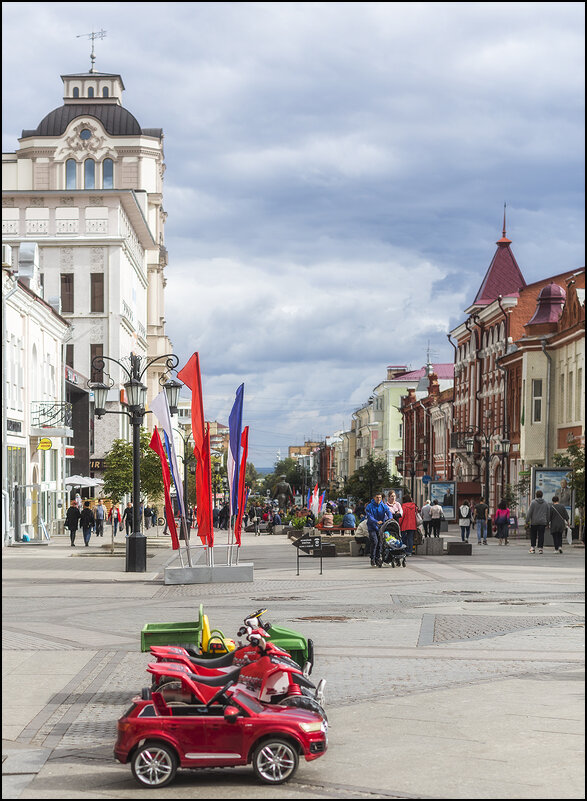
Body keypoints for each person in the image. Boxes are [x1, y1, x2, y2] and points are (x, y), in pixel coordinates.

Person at [365, 492, 391, 567]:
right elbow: (369, 517)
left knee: (380, 543)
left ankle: (377, 558)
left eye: (380, 497)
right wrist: (376, 521)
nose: (378, 499)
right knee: (375, 542)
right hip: (372, 527)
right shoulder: (369, 506)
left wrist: (389, 518)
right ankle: (372, 559)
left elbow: (388, 512)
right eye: (377, 497)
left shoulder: (383, 505)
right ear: (374, 498)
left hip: (380, 527)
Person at [526, 489, 549, 554]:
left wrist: (527, 521)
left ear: (536, 495)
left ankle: (532, 548)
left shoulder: (533, 503)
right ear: (542, 495)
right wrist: (547, 521)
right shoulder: (546, 503)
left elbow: (529, 512)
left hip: (534, 522)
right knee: (541, 535)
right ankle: (540, 548)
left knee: (533, 535)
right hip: (542, 522)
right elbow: (548, 513)